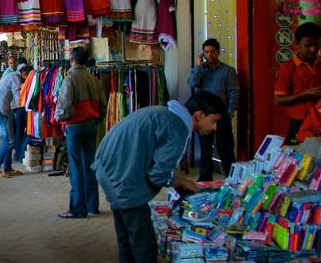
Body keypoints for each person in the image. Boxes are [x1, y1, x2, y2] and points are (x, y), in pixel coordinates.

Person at [92, 91, 225, 263]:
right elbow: (158, 175)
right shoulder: (178, 127)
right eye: (213, 121)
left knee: (127, 236)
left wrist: (176, 181)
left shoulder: (166, 114)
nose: (214, 128)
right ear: (198, 116)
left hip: (109, 167)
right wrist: (179, 181)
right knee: (144, 245)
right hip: (123, 176)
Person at [55, 47, 106, 219]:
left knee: (76, 168)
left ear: (72, 59)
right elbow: (103, 106)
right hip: (91, 126)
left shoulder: (70, 78)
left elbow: (64, 104)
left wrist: (60, 118)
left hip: (75, 127)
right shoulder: (94, 79)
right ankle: (93, 205)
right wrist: (94, 120)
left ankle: (78, 208)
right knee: (90, 166)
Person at [187, 38, 239, 181]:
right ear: (203, 54)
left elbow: (233, 93)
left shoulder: (228, 71)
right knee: (205, 147)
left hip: (221, 114)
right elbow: (192, 83)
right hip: (203, 115)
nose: (210, 55)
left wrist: (229, 112)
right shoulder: (200, 70)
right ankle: (205, 177)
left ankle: (232, 176)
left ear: (218, 52)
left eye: (213, 52)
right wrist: (198, 66)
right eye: (207, 52)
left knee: (225, 147)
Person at [274, 22, 321, 144]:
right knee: (294, 160)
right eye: (308, 45)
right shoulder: (287, 68)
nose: (313, 49)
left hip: (319, 121)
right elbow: (278, 100)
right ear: (297, 45)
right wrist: (305, 94)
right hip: (299, 123)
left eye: (317, 45)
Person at [0, 64, 33, 178]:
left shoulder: (13, 76)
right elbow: (18, 97)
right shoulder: (15, 78)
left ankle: (7, 168)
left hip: (2, 111)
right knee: (8, 141)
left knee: (9, 141)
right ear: (23, 74)